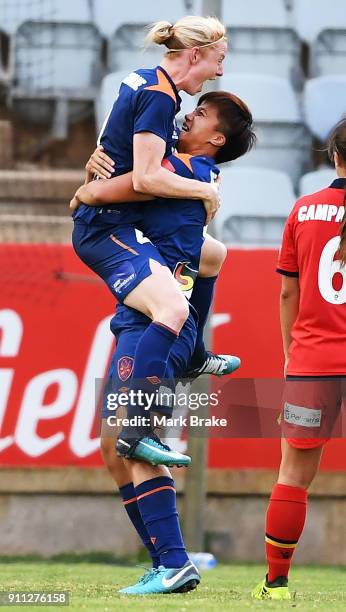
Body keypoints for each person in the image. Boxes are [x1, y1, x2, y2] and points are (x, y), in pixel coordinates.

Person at [75, 91, 255, 595]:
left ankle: (174, 562)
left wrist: (88, 190)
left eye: (199, 114)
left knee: (134, 442)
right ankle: (166, 563)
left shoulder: (184, 173)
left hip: (153, 325)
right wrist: (98, 166)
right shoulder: (194, 178)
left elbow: (127, 183)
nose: (186, 114)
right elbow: (212, 254)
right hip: (150, 318)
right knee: (115, 447)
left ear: (215, 139)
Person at [72, 15, 232, 466]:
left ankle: (196, 354)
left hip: (114, 221)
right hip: (108, 229)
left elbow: (117, 154)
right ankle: (138, 428)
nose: (219, 71)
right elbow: (145, 178)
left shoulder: (147, 81)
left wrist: (88, 184)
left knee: (213, 254)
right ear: (195, 54)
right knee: (174, 308)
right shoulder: (161, 96)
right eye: (218, 60)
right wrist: (204, 190)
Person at [252, 119, 346, 601]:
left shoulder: (305, 209)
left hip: (315, 361)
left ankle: (276, 584)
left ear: (334, 155)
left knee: (293, 475)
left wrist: (292, 353)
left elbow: (289, 289)